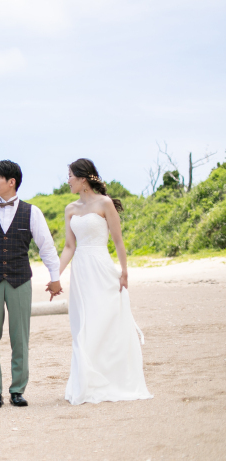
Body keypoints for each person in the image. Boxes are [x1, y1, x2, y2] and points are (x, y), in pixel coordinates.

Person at [0, 160, 61, 409]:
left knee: (20, 338)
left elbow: (46, 247)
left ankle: (17, 390)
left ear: (11, 182)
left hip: (19, 281)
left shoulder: (32, 212)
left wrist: (55, 276)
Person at [59, 158, 152, 405]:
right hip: (80, 271)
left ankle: (110, 378)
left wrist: (124, 272)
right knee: (83, 324)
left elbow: (118, 241)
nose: (67, 180)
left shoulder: (105, 203)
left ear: (83, 178)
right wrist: (55, 275)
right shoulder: (70, 209)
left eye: (69, 175)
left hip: (101, 266)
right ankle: (86, 382)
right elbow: (69, 247)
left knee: (104, 320)